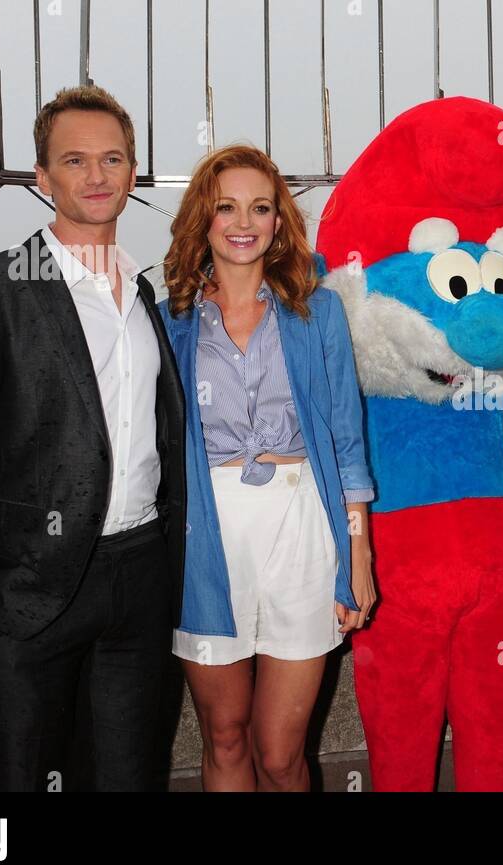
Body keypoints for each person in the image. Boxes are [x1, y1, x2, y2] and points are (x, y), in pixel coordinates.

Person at [0, 84, 186, 792]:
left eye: (112, 159)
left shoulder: (143, 295)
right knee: (20, 778)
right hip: (27, 591)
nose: (96, 176)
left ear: (132, 172)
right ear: (43, 178)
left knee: (131, 775)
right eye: (75, 160)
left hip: (140, 578)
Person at [158, 145, 376, 792]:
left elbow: (345, 439)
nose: (243, 221)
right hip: (204, 536)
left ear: (279, 222)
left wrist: (357, 554)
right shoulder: (171, 320)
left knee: (281, 753)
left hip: (301, 525)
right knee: (224, 736)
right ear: (204, 218)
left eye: (260, 206)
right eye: (226, 206)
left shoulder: (318, 312)